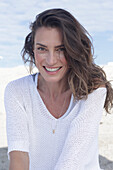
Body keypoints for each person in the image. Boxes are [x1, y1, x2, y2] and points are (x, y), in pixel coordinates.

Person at [4, 8, 113, 170]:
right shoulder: (17, 91)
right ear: (32, 49)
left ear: (73, 50)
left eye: (60, 49)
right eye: (42, 48)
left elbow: (71, 161)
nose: (51, 60)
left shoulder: (94, 90)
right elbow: (19, 155)